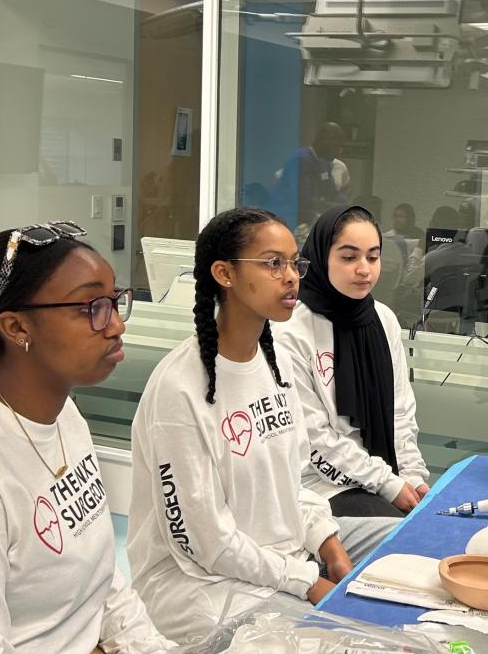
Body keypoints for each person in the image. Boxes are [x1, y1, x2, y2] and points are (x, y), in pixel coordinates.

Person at [128, 208, 387, 644]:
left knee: (403, 544)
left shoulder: (278, 361)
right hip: (204, 582)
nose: (291, 277)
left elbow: (294, 482)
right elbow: (206, 542)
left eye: (294, 263)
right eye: (273, 264)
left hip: (283, 559)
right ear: (224, 274)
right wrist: (305, 581)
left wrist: (331, 548)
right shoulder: (180, 388)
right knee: (345, 639)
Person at [0, 222, 172, 653]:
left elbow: (102, 579)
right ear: (16, 327)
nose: (115, 326)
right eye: (91, 306)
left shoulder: (64, 413)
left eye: (114, 300)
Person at [276, 205, 431, 521]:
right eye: (349, 258)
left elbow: (400, 411)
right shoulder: (291, 330)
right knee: (396, 536)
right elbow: (312, 438)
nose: (364, 269)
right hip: (318, 485)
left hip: (384, 473)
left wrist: (412, 474)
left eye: (372, 257)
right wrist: (387, 484)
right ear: (321, 258)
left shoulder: (383, 320)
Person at [269, 122, 348, 232]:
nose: (339, 151)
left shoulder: (325, 163)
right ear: (324, 141)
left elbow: (332, 193)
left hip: (307, 218)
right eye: (337, 146)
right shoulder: (301, 160)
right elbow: (303, 201)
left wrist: (347, 204)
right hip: (287, 219)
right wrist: (330, 207)